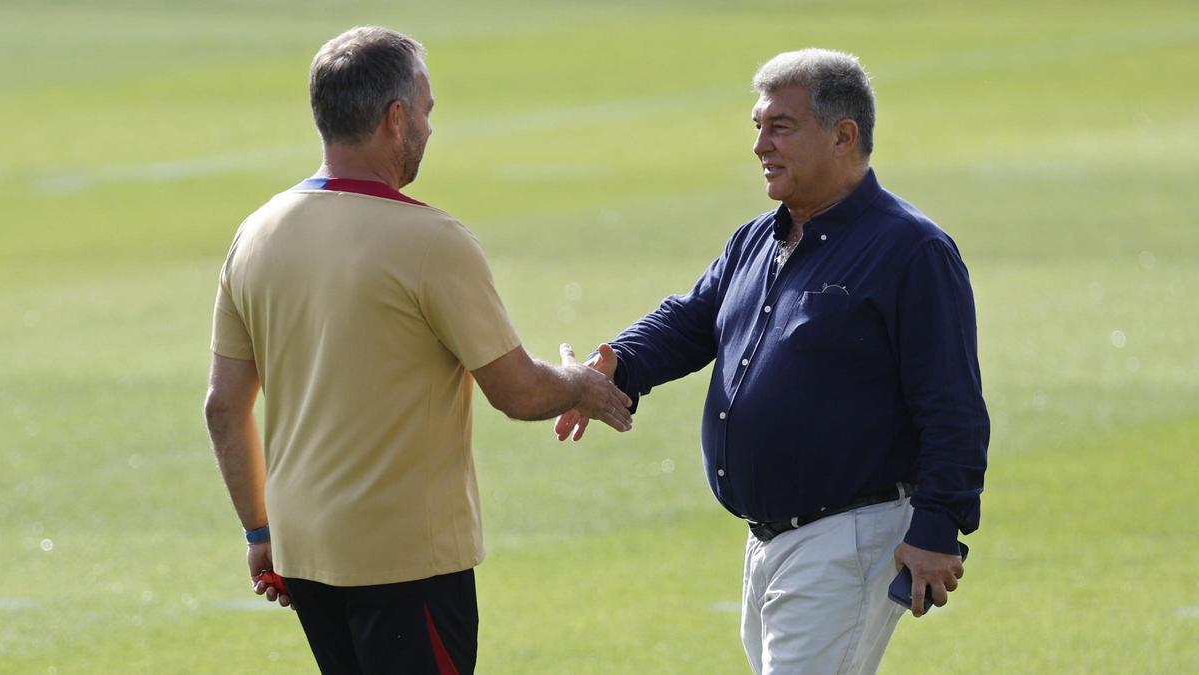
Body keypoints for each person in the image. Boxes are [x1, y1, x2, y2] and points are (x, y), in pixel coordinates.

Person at [203, 26, 631, 675]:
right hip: (405, 564)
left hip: (304, 555)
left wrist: (259, 532)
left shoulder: (256, 234)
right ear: (395, 118)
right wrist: (579, 382)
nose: (430, 128)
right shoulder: (431, 241)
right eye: (426, 111)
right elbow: (518, 392)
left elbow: (223, 407)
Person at [555, 48, 989, 674]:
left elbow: (953, 406)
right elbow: (690, 321)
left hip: (848, 538)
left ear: (843, 136)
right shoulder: (758, 237)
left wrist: (938, 526)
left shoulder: (912, 251)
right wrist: (614, 365)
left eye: (780, 127)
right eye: (758, 127)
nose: (760, 145)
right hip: (768, 542)